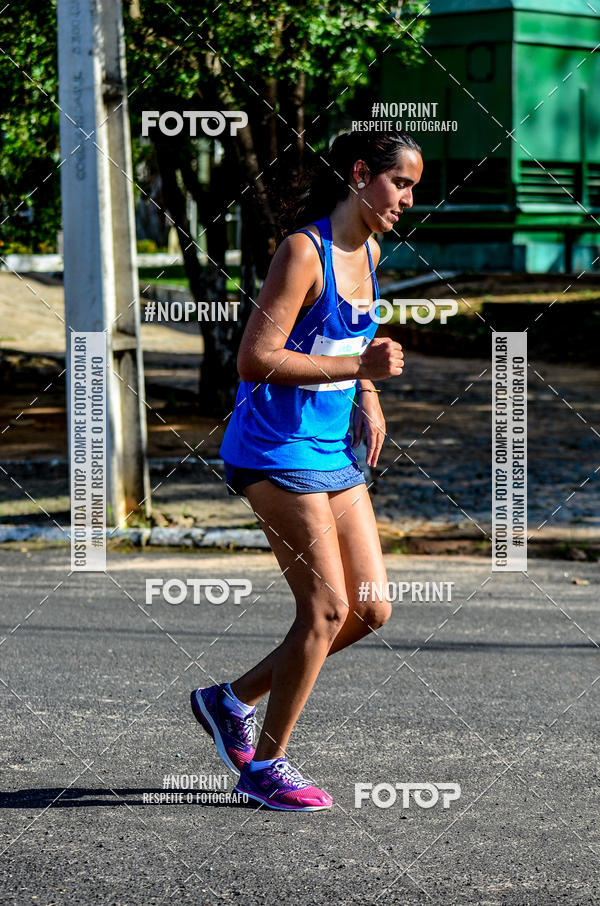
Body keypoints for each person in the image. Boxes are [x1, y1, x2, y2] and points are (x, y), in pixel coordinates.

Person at [191, 130, 423, 811]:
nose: (407, 199)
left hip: (332, 449)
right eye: (400, 183)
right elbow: (255, 359)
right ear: (360, 174)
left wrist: (370, 398)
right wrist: (362, 371)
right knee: (324, 608)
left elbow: (351, 339)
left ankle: (227, 701)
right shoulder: (304, 250)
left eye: (413, 188)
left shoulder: (370, 251)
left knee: (370, 608)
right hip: (272, 448)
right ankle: (266, 767)